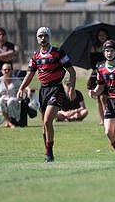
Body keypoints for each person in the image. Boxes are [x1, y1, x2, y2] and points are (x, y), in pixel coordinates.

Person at [17, 27, 77, 163]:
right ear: (37, 39)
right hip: (43, 91)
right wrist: (21, 88)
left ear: (49, 37)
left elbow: (72, 71)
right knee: (44, 127)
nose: (43, 38)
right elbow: (30, 74)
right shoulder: (35, 57)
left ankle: (49, 153)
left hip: (56, 89)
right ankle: (48, 153)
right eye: (40, 36)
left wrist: (72, 88)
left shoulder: (58, 53)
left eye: (45, 36)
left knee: (47, 121)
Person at [0, 63, 23, 128]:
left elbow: (24, 87)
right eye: (5, 69)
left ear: (12, 70)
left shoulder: (16, 80)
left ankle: (9, 121)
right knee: (0, 100)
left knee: (10, 101)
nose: (7, 71)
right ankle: (8, 122)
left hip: (14, 99)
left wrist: (27, 90)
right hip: (3, 100)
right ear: (2, 71)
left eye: (9, 69)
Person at [87, 28, 110, 125]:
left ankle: (107, 118)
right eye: (100, 35)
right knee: (98, 98)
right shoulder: (94, 48)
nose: (102, 37)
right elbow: (92, 63)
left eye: (103, 35)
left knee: (104, 98)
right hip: (97, 74)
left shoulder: (110, 47)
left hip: (108, 74)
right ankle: (102, 119)